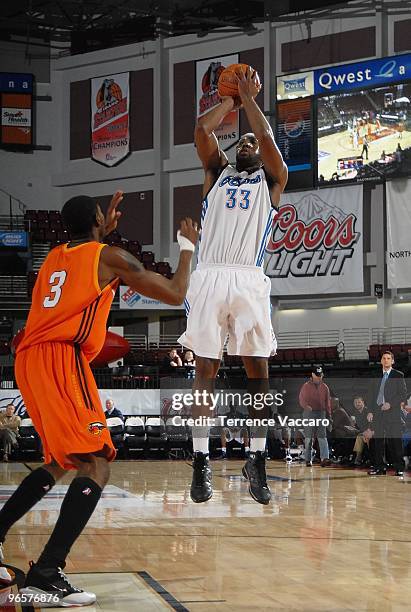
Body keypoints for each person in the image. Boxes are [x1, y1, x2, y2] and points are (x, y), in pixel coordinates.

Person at [0, 191, 199, 605]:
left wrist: (98, 233)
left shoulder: (54, 256)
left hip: (29, 359)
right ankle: (47, 571)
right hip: (60, 357)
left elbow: (83, 260)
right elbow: (177, 293)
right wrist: (187, 246)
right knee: (96, 463)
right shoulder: (109, 256)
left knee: (60, 462)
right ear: (97, 219)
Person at [178, 66, 287, 505]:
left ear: (259, 153)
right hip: (210, 274)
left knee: (258, 373)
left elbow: (268, 142)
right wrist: (233, 101)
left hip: (247, 277)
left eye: (250, 142)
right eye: (239, 140)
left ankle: (256, 458)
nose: (244, 143)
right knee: (205, 369)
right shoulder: (216, 172)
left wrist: (252, 103)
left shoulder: (272, 180)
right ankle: (202, 458)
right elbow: (202, 129)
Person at [367, 351, 408, 476]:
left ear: (392, 361)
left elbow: (403, 394)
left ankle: (399, 467)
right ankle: (380, 467)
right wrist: (370, 411)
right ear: (381, 361)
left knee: (395, 442)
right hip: (378, 413)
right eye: (384, 358)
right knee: (378, 442)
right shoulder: (375, 375)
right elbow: (371, 395)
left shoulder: (398, 375)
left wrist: (390, 404)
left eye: (388, 358)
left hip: (393, 413)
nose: (386, 360)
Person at [298, 366, 332, 467]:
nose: (319, 378)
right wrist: (306, 406)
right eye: (317, 376)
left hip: (321, 413)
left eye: (320, 376)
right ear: (312, 375)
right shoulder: (306, 386)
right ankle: (308, 459)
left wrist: (329, 416)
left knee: (322, 436)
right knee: (309, 438)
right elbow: (301, 399)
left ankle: (324, 458)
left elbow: (328, 403)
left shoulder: (325, 387)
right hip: (309, 414)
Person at [351, 396, 370, 465]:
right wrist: (353, 425)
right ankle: (356, 458)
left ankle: (358, 458)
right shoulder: (355, 413)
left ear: (363, 402)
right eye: (355, 402)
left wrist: (366, 432)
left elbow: (370, 424)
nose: (357, 404)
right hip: (361, 432)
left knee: (360, 437)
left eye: (359, 402)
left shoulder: (368, 411)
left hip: (370, 431)